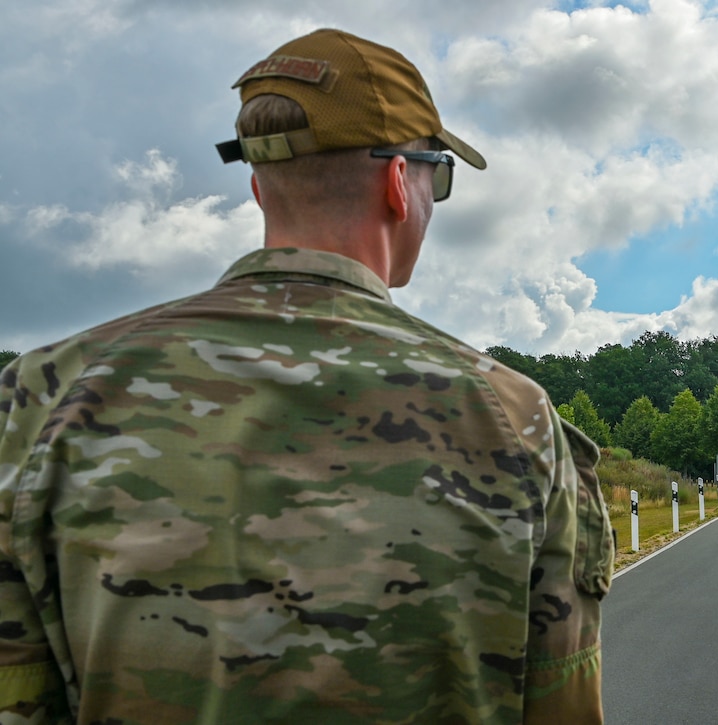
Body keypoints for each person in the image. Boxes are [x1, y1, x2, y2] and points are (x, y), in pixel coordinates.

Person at [0, 28, 613, 724]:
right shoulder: (512, 415)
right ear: (398, 183)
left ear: (260, 188)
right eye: (437, 174)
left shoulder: (41, 397)